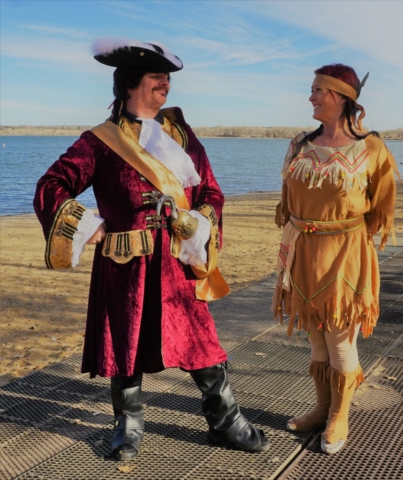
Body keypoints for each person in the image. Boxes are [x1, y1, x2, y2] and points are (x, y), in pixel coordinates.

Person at [34, 38, 269, 460]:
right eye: (156, 77)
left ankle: (225, 420)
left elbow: (211, 191)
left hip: (178, 262)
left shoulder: (180, 134)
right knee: (126, 345)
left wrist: (197, 223)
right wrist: (90, 226)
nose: (166, 84)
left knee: (199, 340)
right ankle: (128, 426)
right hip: (125, 265)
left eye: (166, 77)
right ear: (130, 84)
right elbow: (51, 186)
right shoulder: (99, 141)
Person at [273, 64, 398, 454]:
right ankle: (322, 408)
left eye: (318, 90)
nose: (310, 96)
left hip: (345, 251)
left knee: (340, 338)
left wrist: (350, 236)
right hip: (302, 252)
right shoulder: (299, 144)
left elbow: (382, 206)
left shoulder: (371, 148)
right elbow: (287, 201)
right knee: (316, 337)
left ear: (342, 97)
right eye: (312, 90)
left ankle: (339, 416)